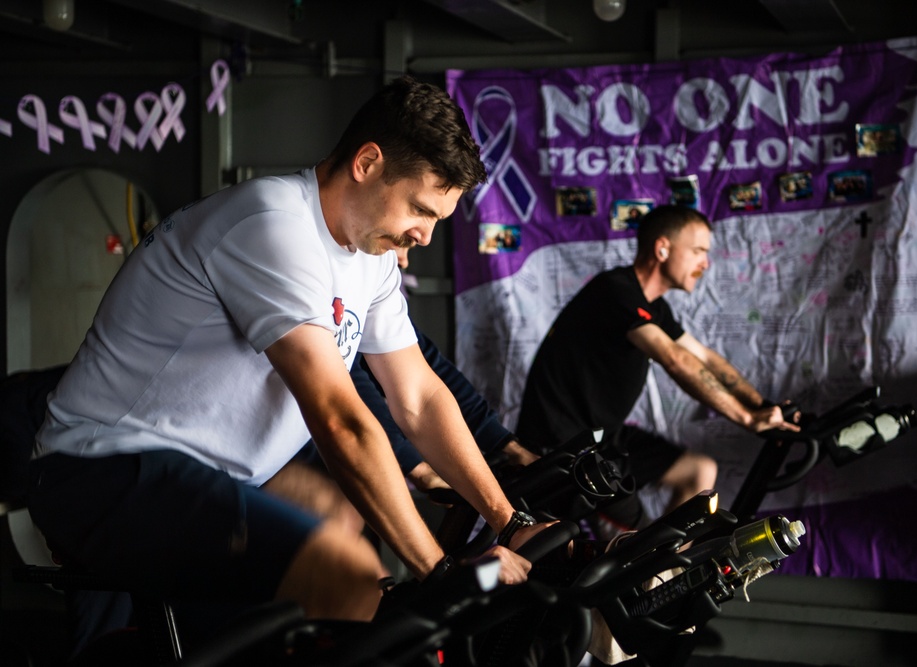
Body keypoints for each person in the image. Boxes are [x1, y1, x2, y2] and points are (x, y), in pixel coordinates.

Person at [28, 76, 549, 629]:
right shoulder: (273, 224)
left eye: (436, 222)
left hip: (207, 475)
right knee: (347, 576)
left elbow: (417, 396)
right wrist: (441, 574)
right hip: (99, 467)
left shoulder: (368, 254)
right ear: (367, 163)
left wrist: (511, 522)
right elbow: (339, 419)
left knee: (337, 515)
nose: (423, 236)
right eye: (419, 210)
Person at [515, 205, 798, 526]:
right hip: (563, 447)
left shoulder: (655, 307)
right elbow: (675, 360)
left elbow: (704, 357)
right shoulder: (616, 291)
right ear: (663, 248)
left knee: (699, 472)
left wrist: (763, 406)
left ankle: (665, 572)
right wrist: (747, 418)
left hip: (604, 438)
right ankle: (651, 569)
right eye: (698, 251)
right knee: (641, 546)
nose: (705, 263)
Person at [352, 246, 538, 493]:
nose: (404, 260)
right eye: (401, 241)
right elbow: (350, 380)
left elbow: (426, 366)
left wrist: (507, 445)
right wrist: (418, 469)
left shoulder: (373, 283)